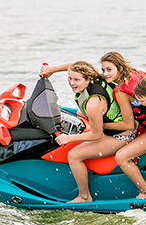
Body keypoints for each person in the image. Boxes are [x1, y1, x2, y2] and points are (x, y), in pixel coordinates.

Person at [46, 61, 136, 203]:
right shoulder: (94, 77)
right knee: (79, 113)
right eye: (70, 78)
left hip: (121, 136)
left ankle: (84, 196)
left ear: (88, 80)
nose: (72, 83)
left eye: (76, 80)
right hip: (116, 123)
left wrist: (68, 138)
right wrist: (52, 69)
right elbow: (75, 64)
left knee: (74, 155)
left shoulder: (93, 102)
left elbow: (96, 134)